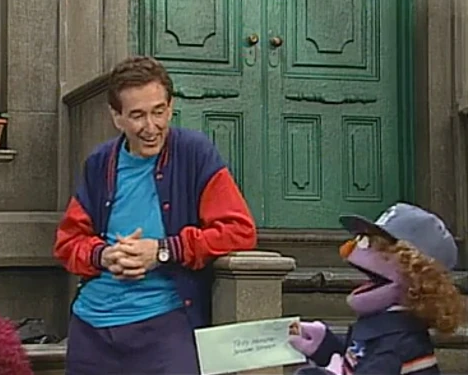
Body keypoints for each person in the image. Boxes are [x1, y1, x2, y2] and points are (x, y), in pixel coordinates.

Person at [54, 56, 257, 375]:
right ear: (116, 117)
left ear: (170, 107)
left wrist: (162, 251)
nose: (151, 127)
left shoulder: (194, 153)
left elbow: (239, 231)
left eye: (158, 112)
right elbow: (68, 243)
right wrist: (104, 256)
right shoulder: (99, 163)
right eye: (137, 115)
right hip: (91, 329)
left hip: (165, 325)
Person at [288, 203, 465, 375]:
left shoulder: (398, 343)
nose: (350, 249)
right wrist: (325, 346)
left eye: (379, 247)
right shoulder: (383, 325)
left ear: (417, 276)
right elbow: (362, 357)